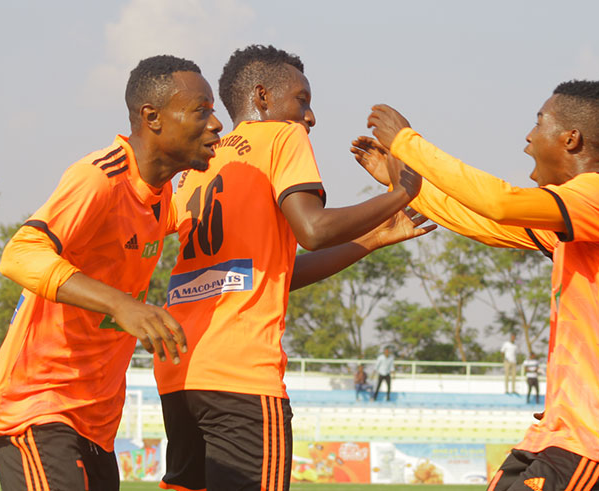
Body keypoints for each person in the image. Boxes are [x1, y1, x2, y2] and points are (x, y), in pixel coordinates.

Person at [354, 80, 599, 489]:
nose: (528, 137)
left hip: (598, 435)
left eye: (539, 123)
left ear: (571, 139)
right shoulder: (588, 209)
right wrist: (406, 187)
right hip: (566, 432)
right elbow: (486, 224)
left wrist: (408, 143)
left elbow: (500, 203)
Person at [153, 45, 426, 491]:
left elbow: (273, 275)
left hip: (182, 373)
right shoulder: (281, 136)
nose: (311, 117)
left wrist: (375, 237)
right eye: (302, 100)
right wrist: (400, 194)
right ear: (262, 97)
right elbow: (313, 230)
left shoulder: (202, 162)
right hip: (241, 372)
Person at [0, 55, 221, 491]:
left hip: (96, 424)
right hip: (38, 408)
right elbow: (19, 254)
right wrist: (123, 304)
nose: (216, 123)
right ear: (152, 117)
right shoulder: (100, 177)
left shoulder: (162, 195)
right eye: (201, 110)